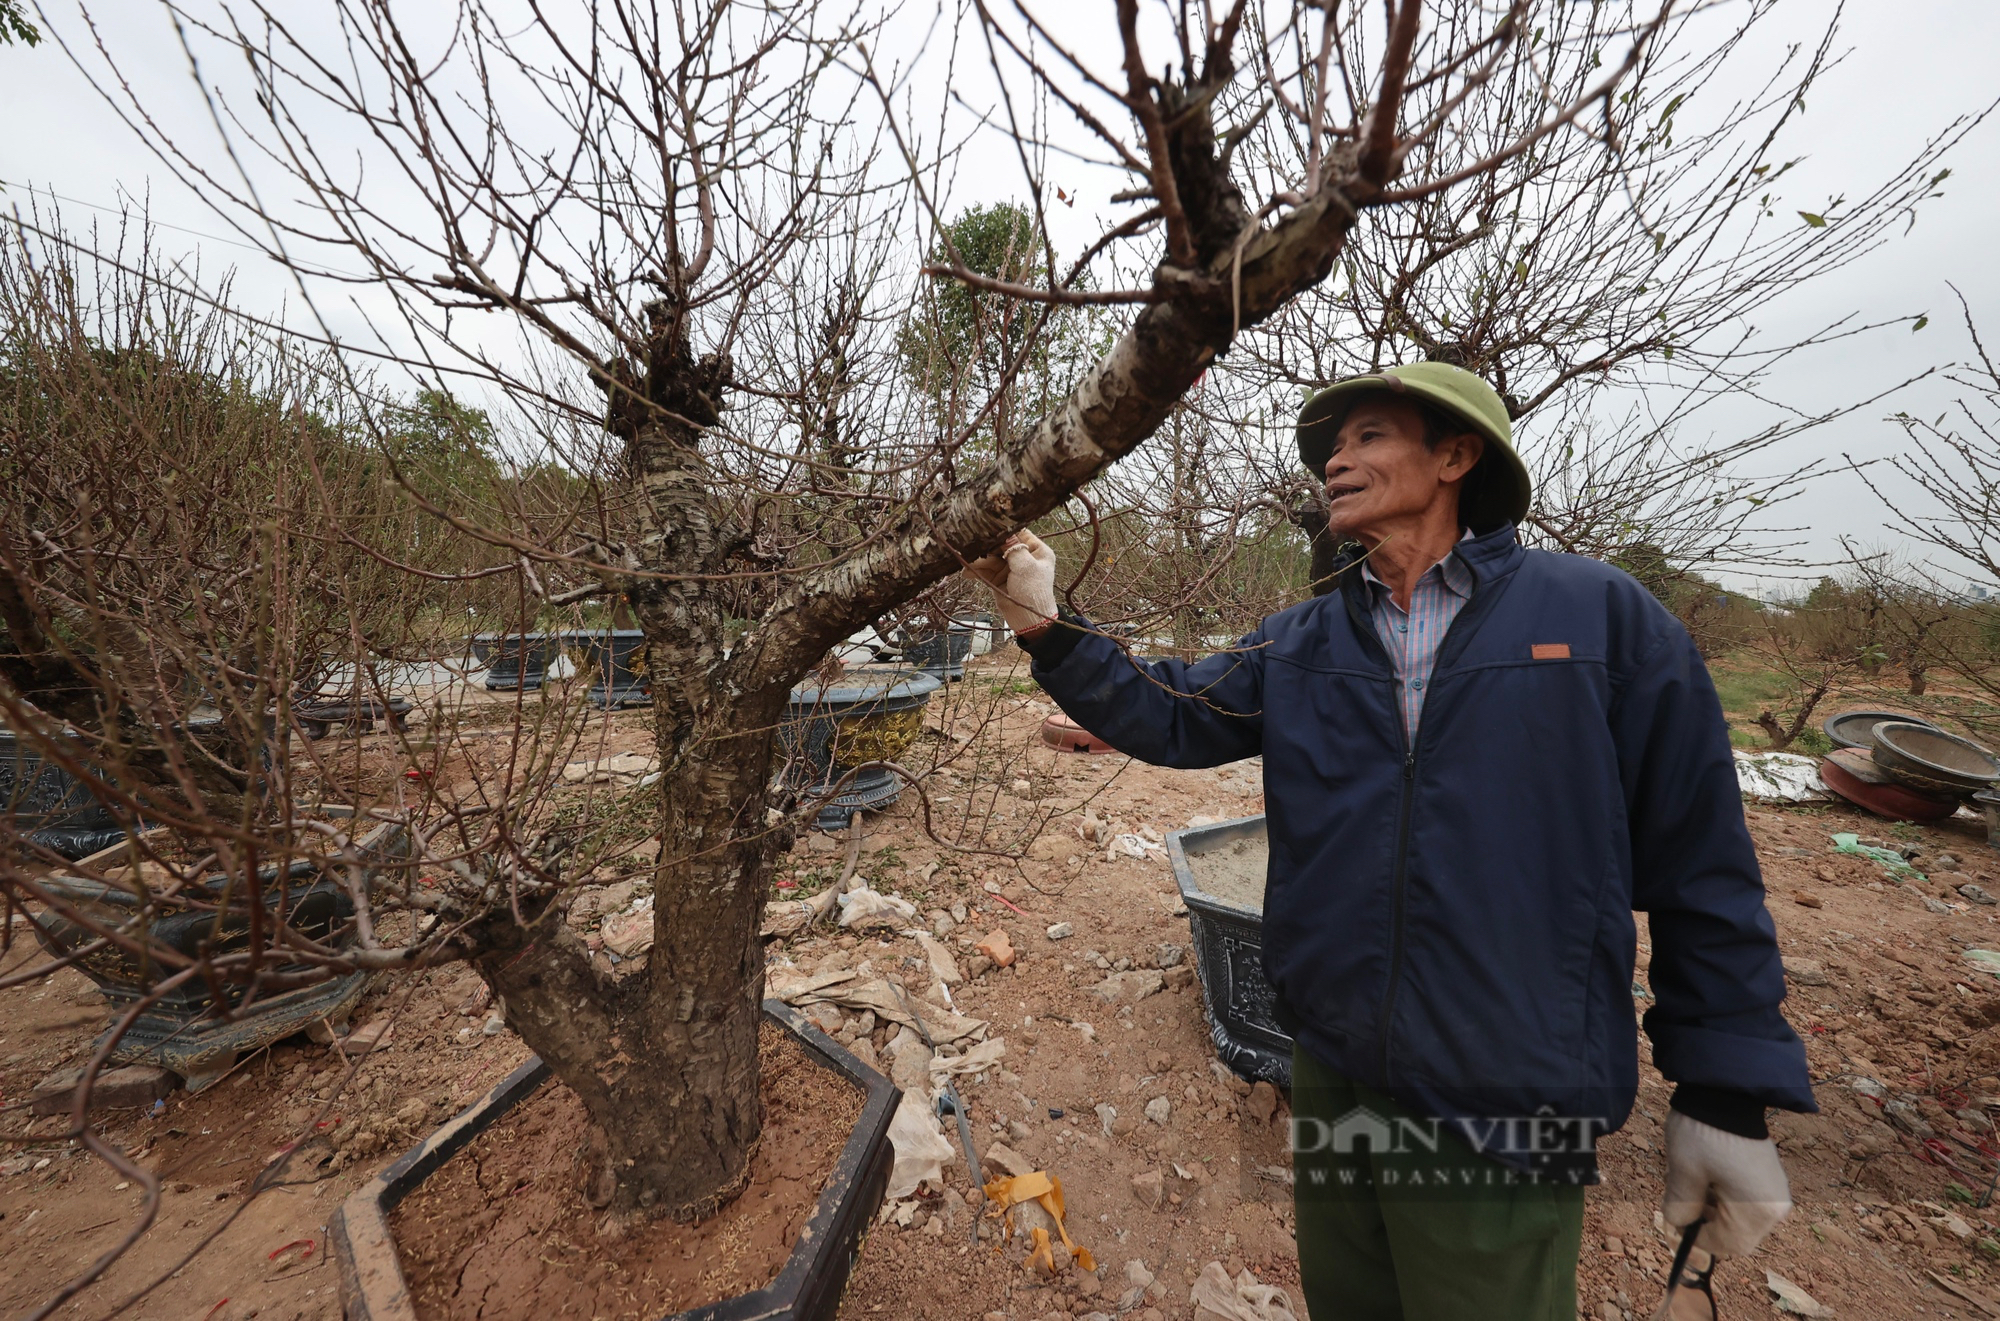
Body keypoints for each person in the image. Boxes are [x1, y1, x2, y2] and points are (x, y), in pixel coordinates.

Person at [966, 362, 1811, 1320]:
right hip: (1335, 1066)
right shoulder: (1304, 640)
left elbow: (1701, 858)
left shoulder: (1602, 623)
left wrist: (1725, 1086)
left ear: (1457, 455)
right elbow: (1174, 714)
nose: (1336, 459)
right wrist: (1044, 620)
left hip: (1507, 1086)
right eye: (1333, 445)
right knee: (1350, 1300)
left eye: (1368, 435)